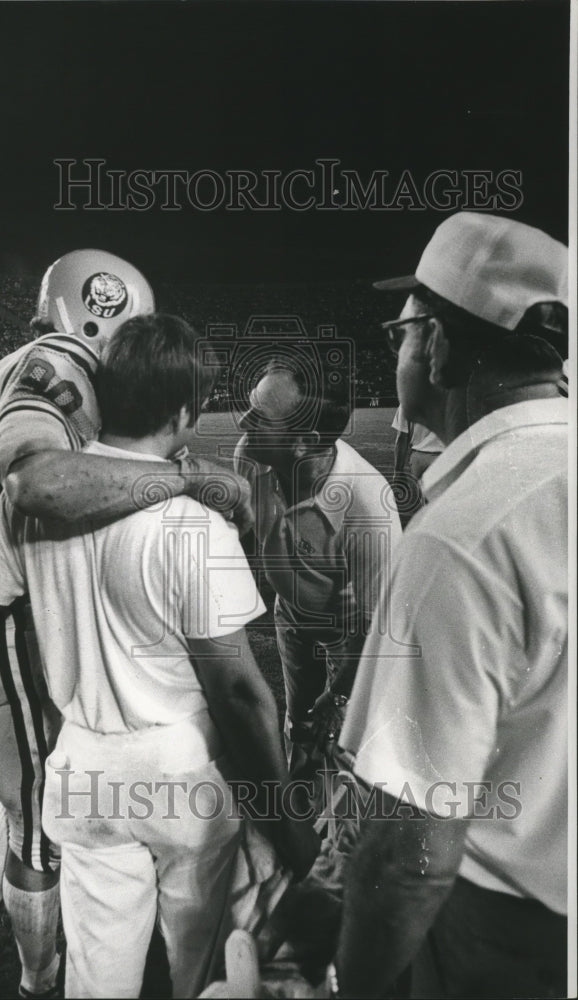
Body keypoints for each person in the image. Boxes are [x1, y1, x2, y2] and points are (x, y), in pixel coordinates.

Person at [0, 314, 316, 999]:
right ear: (185, 411)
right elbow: (242, 694)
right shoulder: (195, 518)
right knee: (201, 972)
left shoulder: (32, 510)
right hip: (180, 773)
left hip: (82, 769)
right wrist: (286, 824)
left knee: (97, 982)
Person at [330, 212, 569, 998]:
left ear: (437, 344)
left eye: (403, 332)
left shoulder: (462, 537)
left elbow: (409, 853)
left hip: (504, 934)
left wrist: (352, 983)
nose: (399, 350)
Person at [233, 357, 400, 784]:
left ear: (304, 442)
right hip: (291, 610)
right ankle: (300, 800)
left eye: (260, 417)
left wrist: (341, 694)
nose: (243, 421)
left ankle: (332, 826)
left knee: (339, 738)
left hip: (350, 629)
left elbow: (374, 627)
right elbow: (250, 533)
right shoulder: (250, 457)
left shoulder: (368, 508)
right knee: (298, 721)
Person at [390, 405, 443, 519]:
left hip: (419, 460)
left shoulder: (408, 400)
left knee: (424, 508)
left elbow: (401, 438)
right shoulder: (452, 396)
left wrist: (398, 471)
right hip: (444, 457)